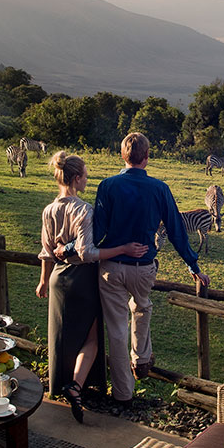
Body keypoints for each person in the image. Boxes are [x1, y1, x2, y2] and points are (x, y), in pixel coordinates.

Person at [93, 133, 212, 405]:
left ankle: (123, 393)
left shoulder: (108, 186)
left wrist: (74, 247)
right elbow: (176, 228)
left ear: (122, 156)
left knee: (116, 329)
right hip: (144, 267)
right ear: (147, 157)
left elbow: (97, 230)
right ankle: (142, 359)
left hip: (111, 266)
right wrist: (192, 264)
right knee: (143, 307)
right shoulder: (159, 189)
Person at [36, 151, 148, 423]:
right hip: (82, 278)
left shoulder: (49, 210)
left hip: (57, 279)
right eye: (85, 175)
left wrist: (42, 281)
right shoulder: (83, 210)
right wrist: (123, 248)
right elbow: (87, 253)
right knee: (93, 338)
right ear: (76, 178)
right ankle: (75, 385)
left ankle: (65, 384)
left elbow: (47, 252)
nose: (87, 180)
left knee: (62, 334)